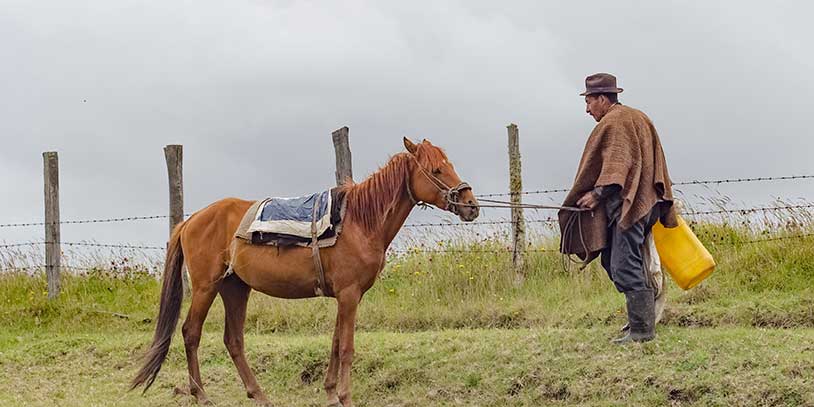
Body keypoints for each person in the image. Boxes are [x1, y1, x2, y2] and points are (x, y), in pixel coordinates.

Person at [558, 73, 678, 344]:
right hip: (645, 202)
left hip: (631, 205)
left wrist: (596, 195)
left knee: (624, 264)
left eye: (589, 101)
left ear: (602, 98)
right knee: (613, 259)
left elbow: (617, 166)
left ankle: (642, 331)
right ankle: (642, 319)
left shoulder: (615, 122)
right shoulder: (637, 116)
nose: (587, 109)